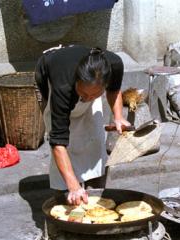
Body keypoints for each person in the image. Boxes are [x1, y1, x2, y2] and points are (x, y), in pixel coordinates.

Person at [35, 45, 130, 205]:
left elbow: (114, 90)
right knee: (67, 143)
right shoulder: (63, 85)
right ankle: (64, 195)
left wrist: (118, 117)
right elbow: (58, 141)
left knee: (96, 140)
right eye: (84, 94)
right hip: (54, 78)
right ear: (76, 81)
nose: (88, 98)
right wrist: (74, 186)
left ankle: (96, 194)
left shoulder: (114, 64)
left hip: (85, 83)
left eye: (94, 94)